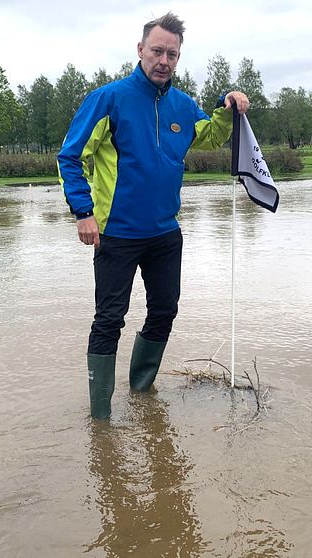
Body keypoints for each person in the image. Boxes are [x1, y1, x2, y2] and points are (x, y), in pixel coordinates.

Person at [58, 12, 250, 419]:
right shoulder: (108, 98)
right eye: (157, 51)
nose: (164, 60)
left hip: (165, 232)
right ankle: (101, 418)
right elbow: (70, 156)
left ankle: (142, 393)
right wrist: (82, 212)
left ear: (179, 59)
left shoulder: (182, 105)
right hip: (117, 233)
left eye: (172, 54)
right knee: (109, 319)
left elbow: (211, 136)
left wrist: (226, 105)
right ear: (140, 50)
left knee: (165, 310)